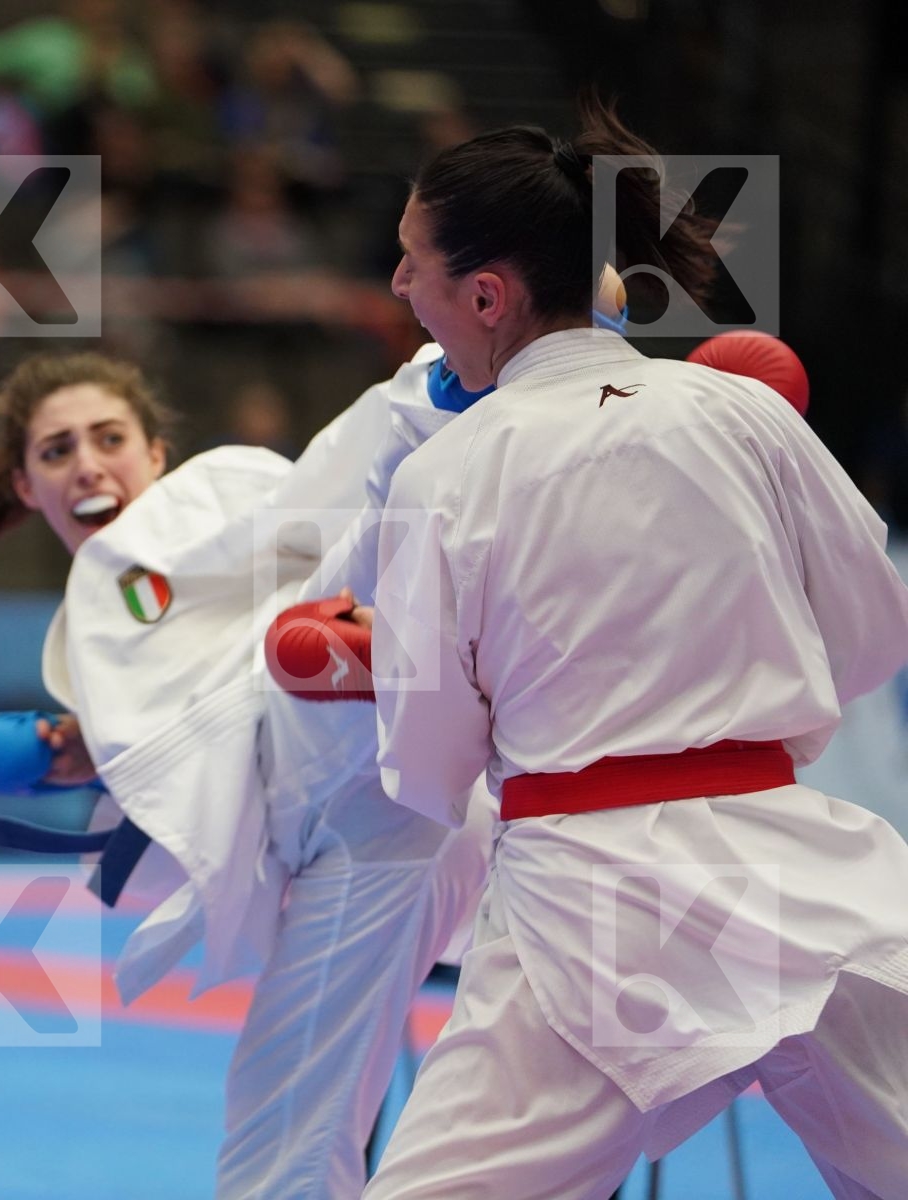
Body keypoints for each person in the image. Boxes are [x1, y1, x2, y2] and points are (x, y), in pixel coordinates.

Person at [361, 96, 908, 1198]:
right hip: (797, 869)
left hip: (586, 904)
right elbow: (872, 629)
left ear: (485, 294)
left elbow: (428, 761)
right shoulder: (740, 413)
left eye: (410, 262)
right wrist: (747, 722)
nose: (397, 288)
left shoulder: (447, 472)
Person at [0, 353, 492, 1197]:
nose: (86, 463)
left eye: (109, 438)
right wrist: (93, 759)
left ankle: (446, 376)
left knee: (327, 588)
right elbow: (186, 809)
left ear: (155, 453)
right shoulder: (89, 645)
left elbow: (319, 499)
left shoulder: (216, 489)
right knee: (289, 1115)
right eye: (56, 451)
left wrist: (434, 392)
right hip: (360, 842)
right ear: (25, 485)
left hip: (367, 750)